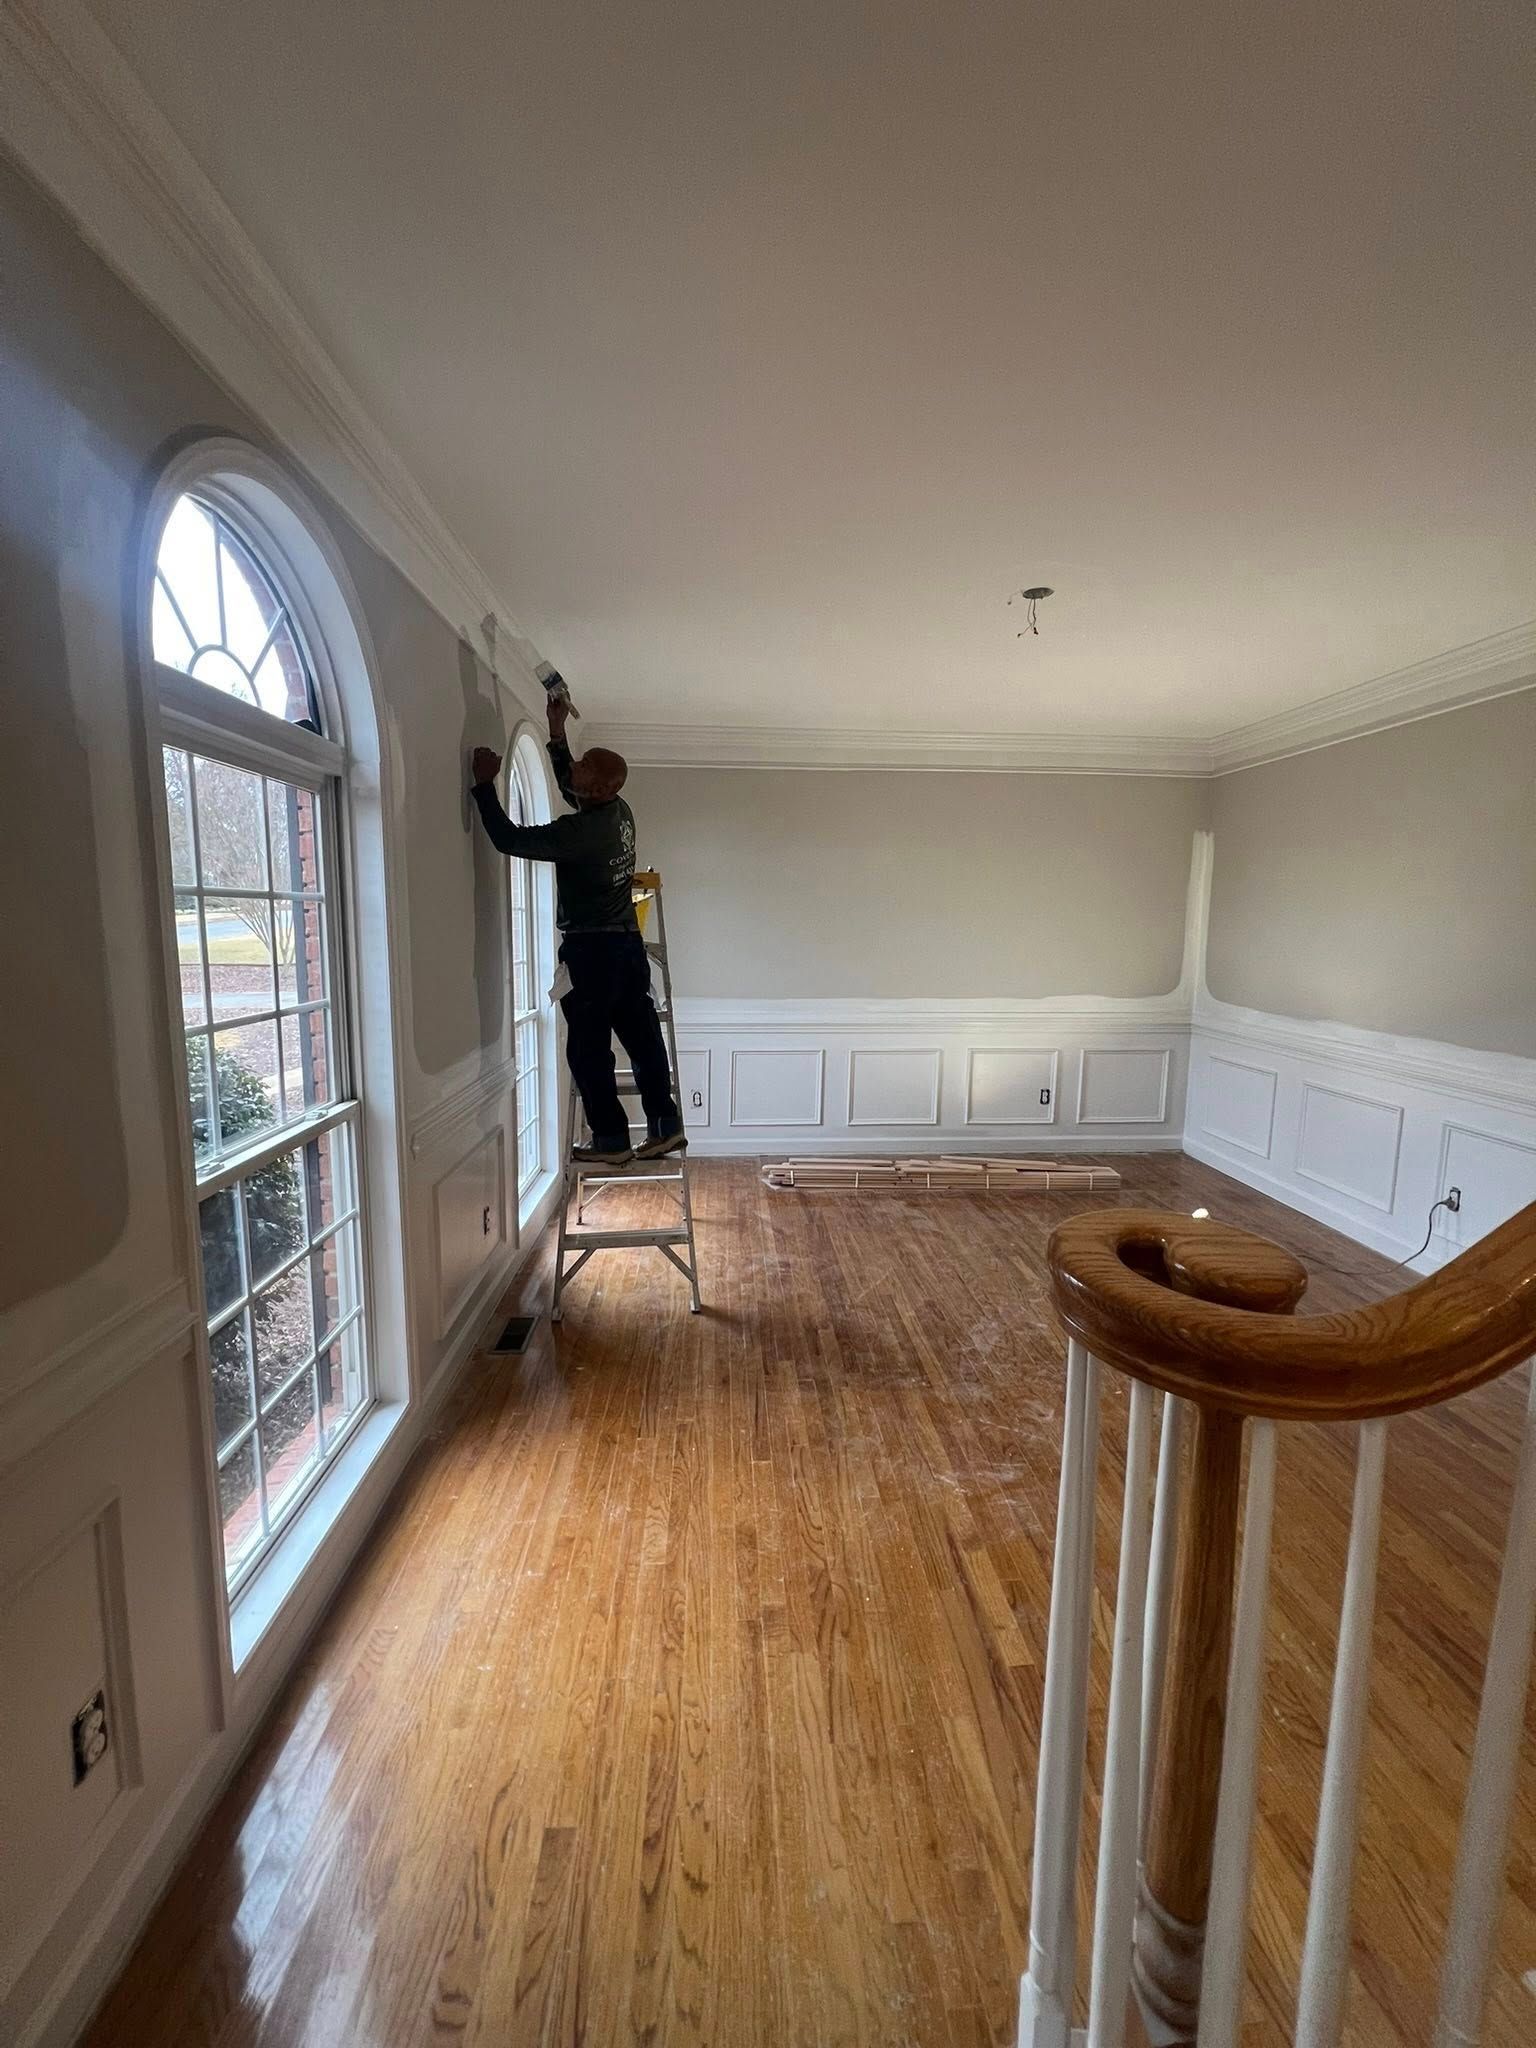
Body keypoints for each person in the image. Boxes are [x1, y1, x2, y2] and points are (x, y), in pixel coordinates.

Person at [470, 696, 684, 1167]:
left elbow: (509, 839)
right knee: (643, 1039)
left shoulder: (580, 832)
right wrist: (555, 731)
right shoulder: (619, 810)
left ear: (601, 788)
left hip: (593, 952)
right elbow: (574, 785)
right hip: (626, 947)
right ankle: (666, 1127)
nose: (576, 770)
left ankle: (611, 1139)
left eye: (585, 767)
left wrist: (485, 786)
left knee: (588, 1050)